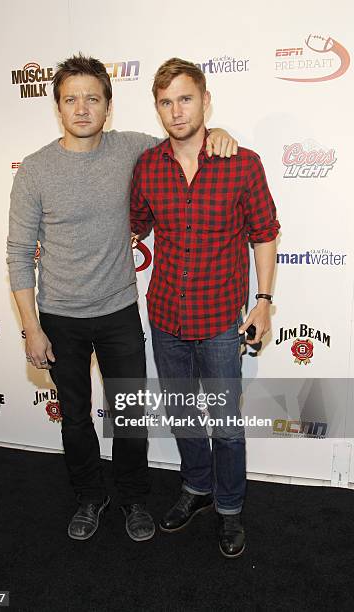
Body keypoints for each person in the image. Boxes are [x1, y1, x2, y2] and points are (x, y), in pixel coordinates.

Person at [6, 53, 238, 543]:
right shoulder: (35, 169)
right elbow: (18, 252)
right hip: (60, 316)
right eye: (72, 99)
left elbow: (186, 139)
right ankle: (90, 496)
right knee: (74, 418)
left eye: (93, 98)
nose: (83, 108)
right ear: (58, 107)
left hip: (119, 312)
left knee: (130, 415)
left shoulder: (133, 150)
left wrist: (219, 133)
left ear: (108, 107)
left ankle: (134, 497)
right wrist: (31, 324)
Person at [130, 58, 280, 557]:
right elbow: (134, 225)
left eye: (186, 98)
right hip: (167, 317)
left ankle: (231, 508)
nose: (176, 111)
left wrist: (263, 302)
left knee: (225, 424)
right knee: (181, 414)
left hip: (219, 321)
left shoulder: (242, 162)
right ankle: (197, 488)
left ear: (206, 102)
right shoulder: (148, 166)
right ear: (157, 109)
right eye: (166, 102)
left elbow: (264, 234)